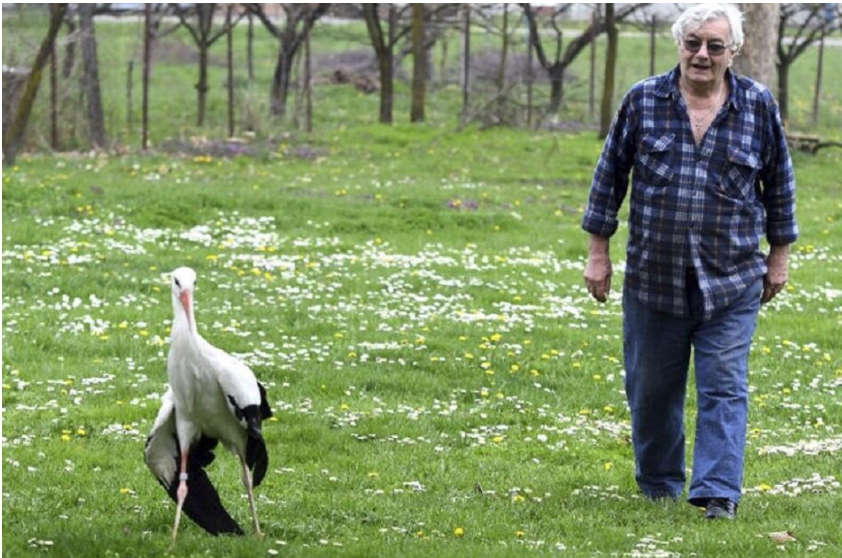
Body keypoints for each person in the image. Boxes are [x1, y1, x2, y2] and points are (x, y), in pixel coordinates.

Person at [581, 3, 797, 520]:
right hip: (654, 279)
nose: (702, 54)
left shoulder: (757, 106)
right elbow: (609, 177)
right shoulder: (643, 101)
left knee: (725, 387)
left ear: (733, 52)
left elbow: (780, 185)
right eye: (693, 43)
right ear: (679, 45)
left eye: (714, 46)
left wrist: (779, 258)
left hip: (732, 280)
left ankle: (718, 493)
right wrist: (597, 253)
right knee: (652, 391)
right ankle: (659, 484)